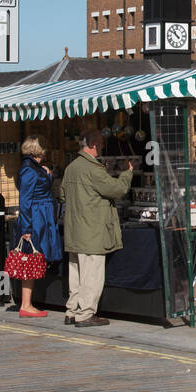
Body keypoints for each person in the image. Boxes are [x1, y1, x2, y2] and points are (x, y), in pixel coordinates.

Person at [60, 128, 132, 327]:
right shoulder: (93, 168)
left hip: (74, 230)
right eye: (100, 143)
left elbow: (63, 195)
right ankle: (85, 315)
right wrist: (127, 174)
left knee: (76, 274)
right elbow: (117, 189)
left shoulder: (71, 167)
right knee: (91, 273)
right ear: (92, 145)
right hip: (91, 230)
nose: (101, 147)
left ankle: (72, 311)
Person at [15, 136, 63, 318]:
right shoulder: (29, 169)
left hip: (41, 215)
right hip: (36, 217)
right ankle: (26, 304)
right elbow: (25, 200)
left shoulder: (34, 168)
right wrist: (26, 228)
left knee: (35, 257)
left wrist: (48, 175)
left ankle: (27, 303)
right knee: (31, 258)